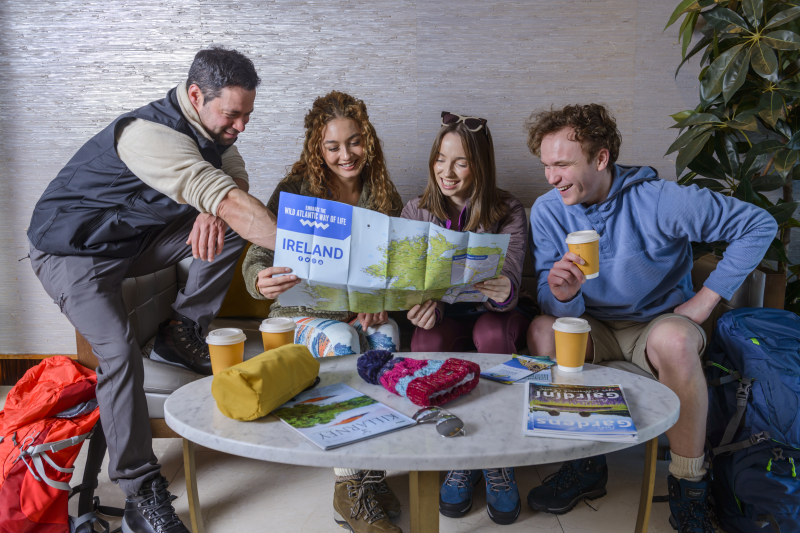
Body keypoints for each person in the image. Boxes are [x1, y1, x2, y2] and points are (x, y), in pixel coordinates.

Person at [27, 47, 280, 533]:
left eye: (247, 115)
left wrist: (212, 208)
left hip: (128, 242)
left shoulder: (214, 134)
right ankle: (140, 490)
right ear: (195, 96)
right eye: (233, 114)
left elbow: (235, 174)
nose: (241, 126)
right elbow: (231, 196)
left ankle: (180, 330)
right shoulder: (147, 135)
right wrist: (311, 253)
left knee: (227, 225)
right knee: (119, 354)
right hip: (72, 252)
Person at [524, 104, 777, 533]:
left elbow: (758, 224)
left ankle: (689, 485)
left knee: (675, 341)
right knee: (543, 330)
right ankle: (584, 464)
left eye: (562, 164)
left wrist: (705, 300)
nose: (552, 177)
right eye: (546, 165)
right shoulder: (548, 211)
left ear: (600, 158)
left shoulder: (660, 200)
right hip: (595, 326)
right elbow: (553, 302)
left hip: (657, 324)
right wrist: (563, 295)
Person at [241, 90, 404, 533]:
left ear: (368, 141)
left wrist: (380, 301)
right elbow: (257, 256)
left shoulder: (384, 195)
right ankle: (347, 484)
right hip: (301, 313)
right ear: (317, 147)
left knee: (387, 336)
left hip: (358, 311)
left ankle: (372, 472)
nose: (345, 155)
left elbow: (394, 269)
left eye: (354, 142)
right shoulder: (294, 191)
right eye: (333, 146)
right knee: (342, 340)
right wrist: (259, 280)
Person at [401, 112, 530, 526]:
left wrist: (504, 289)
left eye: (461, 162)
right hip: (446, 317)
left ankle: (497, 456)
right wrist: (419, 305)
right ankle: (458, 451)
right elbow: (407, 283)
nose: (447, 172)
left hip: (495, 316)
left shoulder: (508, 209)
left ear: (481, 165)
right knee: (426, 341)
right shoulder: (416, 210)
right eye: (440, 159)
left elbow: (512, 272)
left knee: (491, 332)